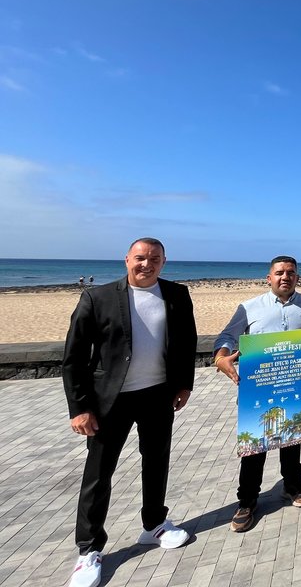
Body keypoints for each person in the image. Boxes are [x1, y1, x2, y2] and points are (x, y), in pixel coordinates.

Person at [62, 238, 197, 587]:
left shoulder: (177, 295)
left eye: (154, 259)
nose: (146, 264)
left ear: (164, 262)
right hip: (111, 400)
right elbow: (74, 358)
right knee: (98, 473)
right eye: (140, 258)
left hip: (157, 395)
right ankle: (89, 550)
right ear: (126, 260)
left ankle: (154, 525)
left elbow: (186, 342)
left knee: (156, 463)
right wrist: (79, 408)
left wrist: (184, 385)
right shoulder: (97, 297)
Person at [213, 255, 301, 533]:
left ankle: (293, 486)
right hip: (261, 388)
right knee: (255, 446)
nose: (285, 277)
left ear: (297, 277)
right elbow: (226, 337)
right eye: (279, 273)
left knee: (293, 439)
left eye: (290, 273)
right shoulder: (248, 307)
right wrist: (221, 358)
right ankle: (247, 501)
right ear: (269, 278)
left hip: (297, 385)